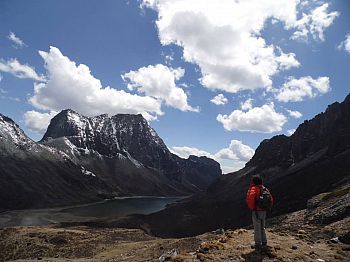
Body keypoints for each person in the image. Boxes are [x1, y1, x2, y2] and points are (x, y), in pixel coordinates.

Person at [246, 175, 273, 250]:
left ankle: (258, 244)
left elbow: (250, 199)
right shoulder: (265, 189)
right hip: (264, 211)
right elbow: (271, 199)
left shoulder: (254, 188)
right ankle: (264, 242)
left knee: (257, 227)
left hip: (256, 211)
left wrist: (252, 208)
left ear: (253, 181)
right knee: (262, 227)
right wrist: (268, 208)